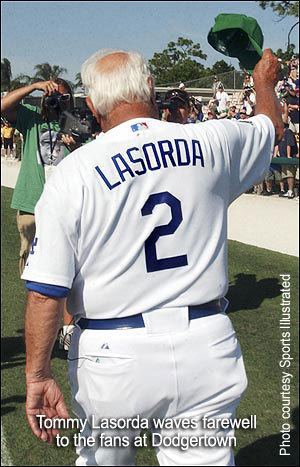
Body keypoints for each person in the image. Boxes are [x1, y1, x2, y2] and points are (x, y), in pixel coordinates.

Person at [23, 48, 283, 467]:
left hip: (112, 353)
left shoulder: (74, 172)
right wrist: (263, 83)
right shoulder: (212, 139)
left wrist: (37, 374)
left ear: (91, 105)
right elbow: (271, 127)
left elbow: (45, 293)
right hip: (205, 341)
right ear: (149, 87)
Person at [1, 78, 80, 343]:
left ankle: (67, 332)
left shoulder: (75, 122)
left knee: (72, 269)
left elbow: (94, 158)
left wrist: (77, 146)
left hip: (67, 204)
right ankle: (41, 330)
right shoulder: (31, 118)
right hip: (32, 203)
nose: (56, 101)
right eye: (52, 96)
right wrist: (34, 87)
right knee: (37, 275)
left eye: (62, 96)